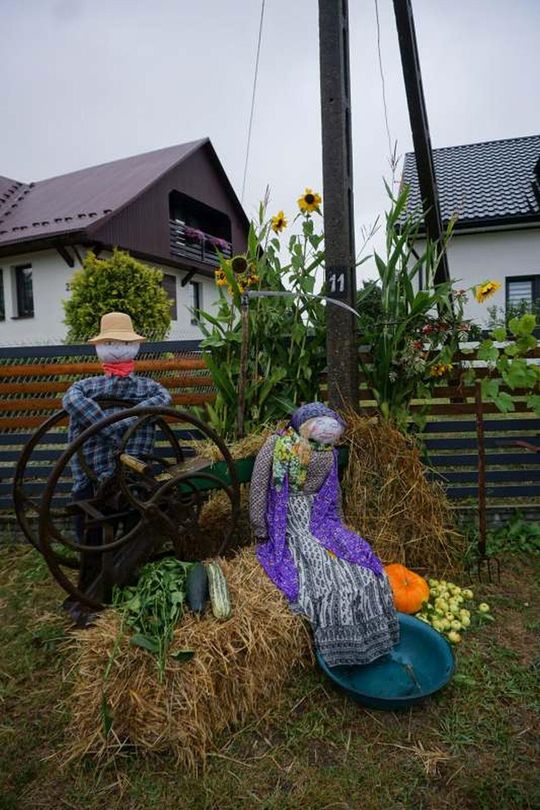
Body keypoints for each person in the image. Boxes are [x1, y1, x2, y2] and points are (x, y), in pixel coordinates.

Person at [250, 403, 399, 667]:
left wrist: (261, 530)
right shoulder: (305, 451)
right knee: (337, 570)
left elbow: (261, 490)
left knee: (335, 572)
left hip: (303, 521)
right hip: (304, 520)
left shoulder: (292, 448)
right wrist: (338, 527)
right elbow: (331, 494)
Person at [62, 312, 172, 620]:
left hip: (132, 478)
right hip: (91, 477)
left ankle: (125, 579)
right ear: (99, 349)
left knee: (132, 523)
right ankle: (90, 587)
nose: (118, 348)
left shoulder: (148, 388)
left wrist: (115, 426)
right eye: (110, 343)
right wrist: (116, 428)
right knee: (90, 533)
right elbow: (69, 399)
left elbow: (165, 398)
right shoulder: (87, 387)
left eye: (124, 343)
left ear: (134, 348)